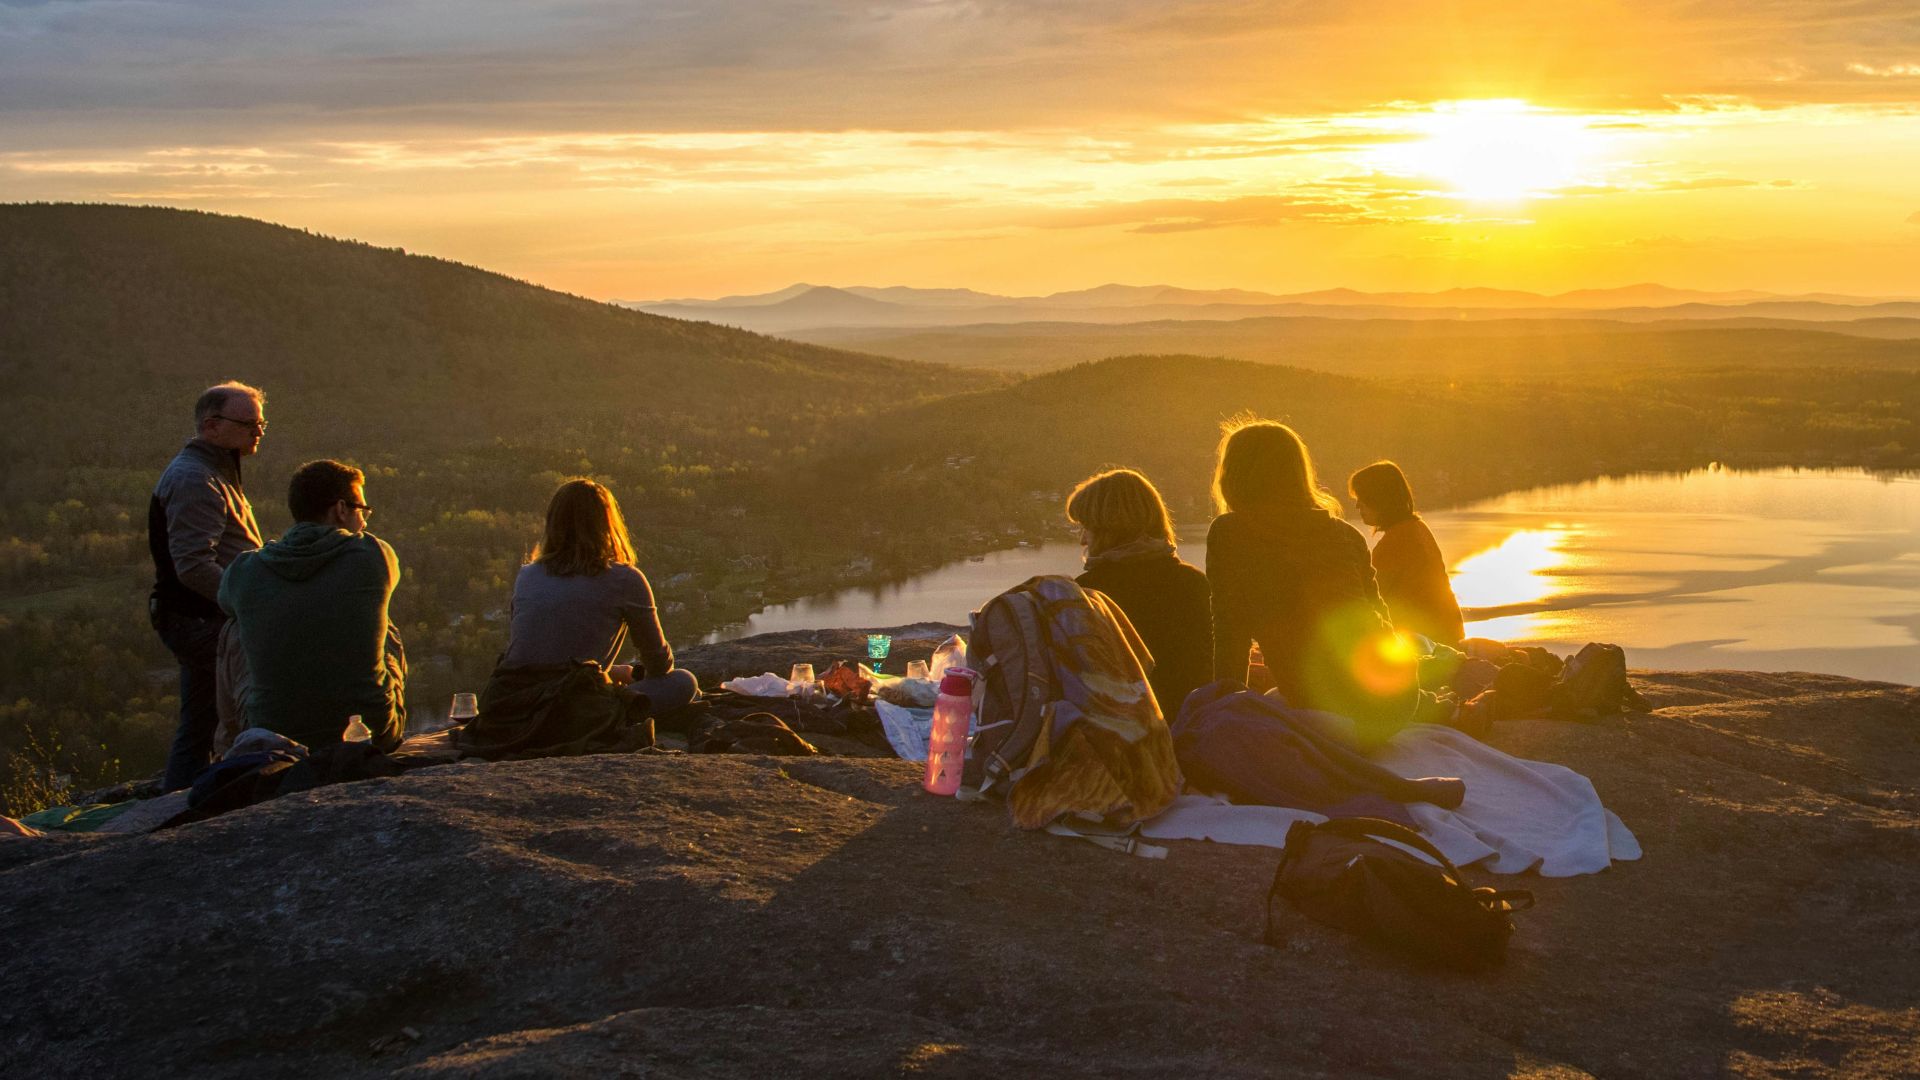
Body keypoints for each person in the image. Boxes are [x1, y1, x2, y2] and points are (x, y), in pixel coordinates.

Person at [1205, 420, 1415, 739]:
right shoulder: (1346, 534)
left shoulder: (1230, 533)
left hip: (1332, 709)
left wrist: (1225, 717)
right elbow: (1381, 621)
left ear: (1233, 475)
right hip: (1397, 700)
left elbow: (1230, 635)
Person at [219, 459, 408, 751]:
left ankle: (231, 749)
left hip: (273, 737)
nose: (365, 521)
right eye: (362, 510)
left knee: (233, 628)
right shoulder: (375, 555)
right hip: (371, 735)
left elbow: (225, 603)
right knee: (384, 624)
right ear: (341, 509)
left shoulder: (245, 570)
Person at [148, 382, 267, 790]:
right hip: (203, 619)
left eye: (261, 423)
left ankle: (183, 799)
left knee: (201, 721)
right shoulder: (195, 479)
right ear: (211, 426)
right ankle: (201, 801)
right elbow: (194, 566)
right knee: (234, 713)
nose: (258, 431)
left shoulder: (214, 471)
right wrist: (247, 604)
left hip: (200, 616)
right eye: (248, 423)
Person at [497, 479, 698, 716]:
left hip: (514, 705)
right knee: (684, 682)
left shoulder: (527, 575)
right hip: (575, 712)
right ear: (607, 523)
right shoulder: (625, 579)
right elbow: (659, 665)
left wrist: (613, 672)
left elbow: (544, 658)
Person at [1066, 468, 1213, 717]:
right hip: (1193, 724)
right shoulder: (1194, 582)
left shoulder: (1089, 594)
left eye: (1086, 528)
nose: (1082, 540)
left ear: (1108, 528)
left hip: (1124, 730)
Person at [1349, 461, 1466, 647]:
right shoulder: (1416, 528)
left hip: (1426, 643)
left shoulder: (1397, 541)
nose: (1357, 506)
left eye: (1362, 498)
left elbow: (1370, 598)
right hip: (1447, 634)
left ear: (1379, 499)